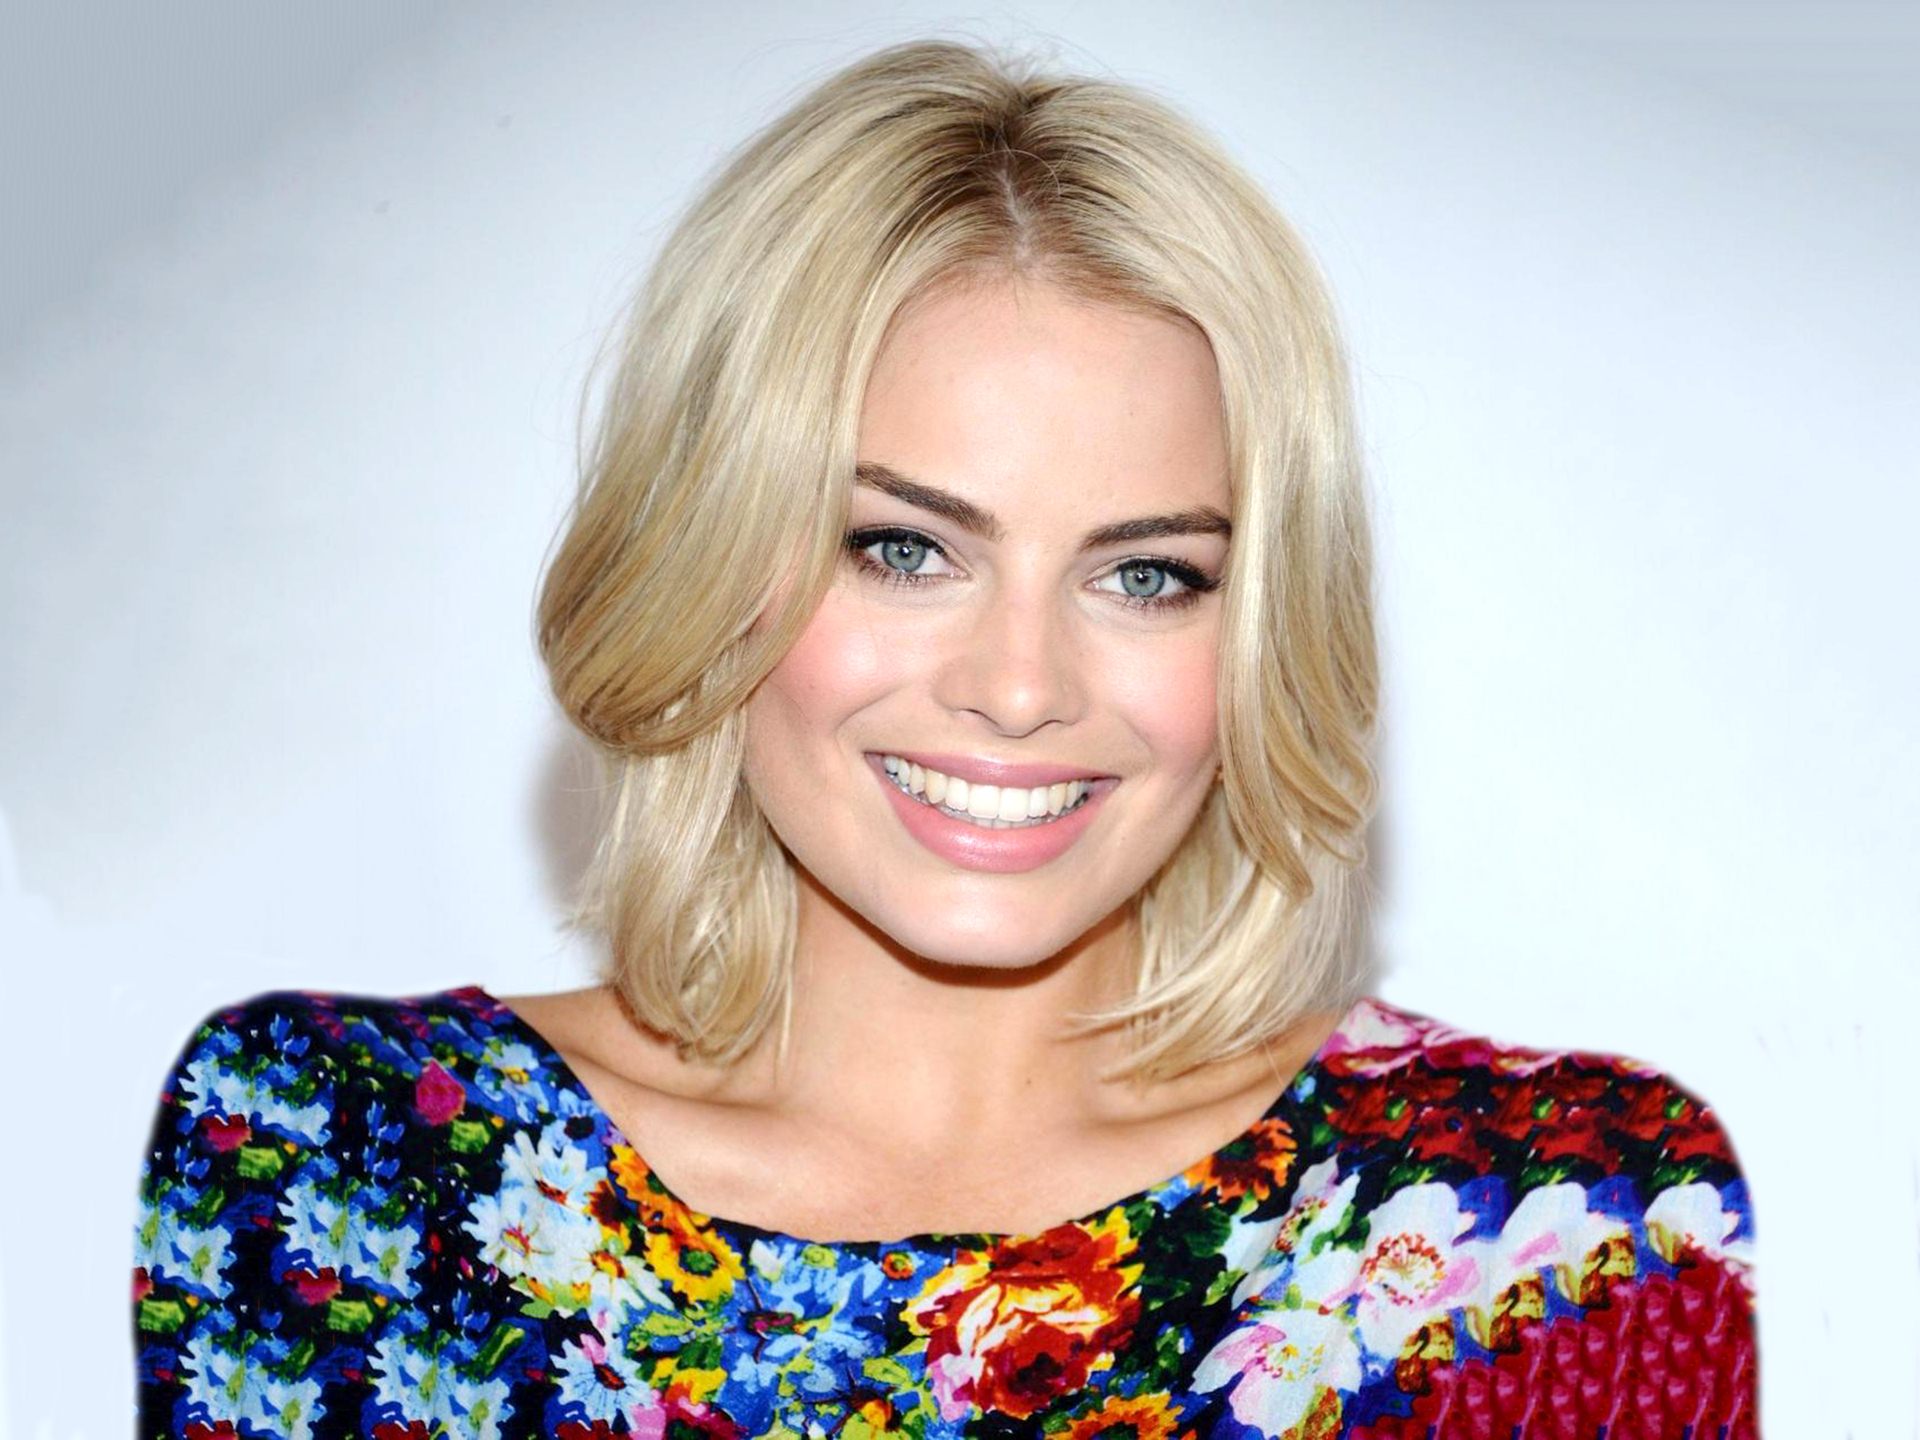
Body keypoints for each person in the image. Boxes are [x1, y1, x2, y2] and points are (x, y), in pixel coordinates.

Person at [131, 38, 1758, 1439]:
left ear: (1259, 632)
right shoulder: (349, 1162)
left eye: (1145, 574)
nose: (1019, 683)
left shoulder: (1555, 1234)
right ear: (709, 563)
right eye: (903, 549)